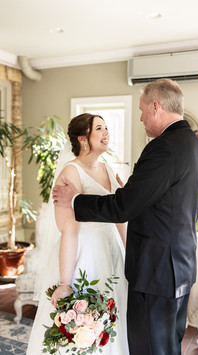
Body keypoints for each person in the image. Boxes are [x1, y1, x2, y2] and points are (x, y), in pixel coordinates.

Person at [53, 79, 198, 355]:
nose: (141, 118)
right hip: (179, 270)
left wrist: (74, 199)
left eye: (142, 110)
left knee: (149, 349)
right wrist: (136, 194)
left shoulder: (163, 147)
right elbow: (169, 203)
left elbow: (123, 208)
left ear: (156, 106)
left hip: (156, 274)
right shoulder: (195, 147)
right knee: (168, 347)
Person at [26, 113, 129, 355]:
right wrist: (65, 283)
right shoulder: (70, 172)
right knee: (83, 324)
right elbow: (69, 231)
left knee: (112, 319)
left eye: (107, 128)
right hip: (84, 255)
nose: (107, 133)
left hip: (112, 253)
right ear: (83, 139)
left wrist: (130, 255)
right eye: (99, 128)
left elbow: (121, 218)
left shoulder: (108, 168)